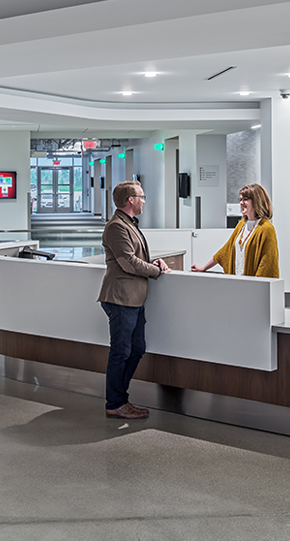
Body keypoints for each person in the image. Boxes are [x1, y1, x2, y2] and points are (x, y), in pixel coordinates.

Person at [98, 180, 170, 420]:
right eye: (141, 196)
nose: (144, 200)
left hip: (134, 300)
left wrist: (154, 262)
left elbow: (136, 256)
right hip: (120, 299)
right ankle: (115, 402)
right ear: (131, 200)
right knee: (121, 352)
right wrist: (155, 271)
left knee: (136, 349)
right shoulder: (116, 227)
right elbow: (127, 262)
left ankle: (121, 398)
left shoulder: (129, 224)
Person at [191, 183, 280, 278]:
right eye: (240, 199)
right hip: (238, 282)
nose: (241, 203)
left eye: (245, 199)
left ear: (256, 201)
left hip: (253, 286)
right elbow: (225, 251)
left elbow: (268, 262)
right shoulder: (242, 224)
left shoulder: (266, 228)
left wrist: (256, 287)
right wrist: (204, 268)